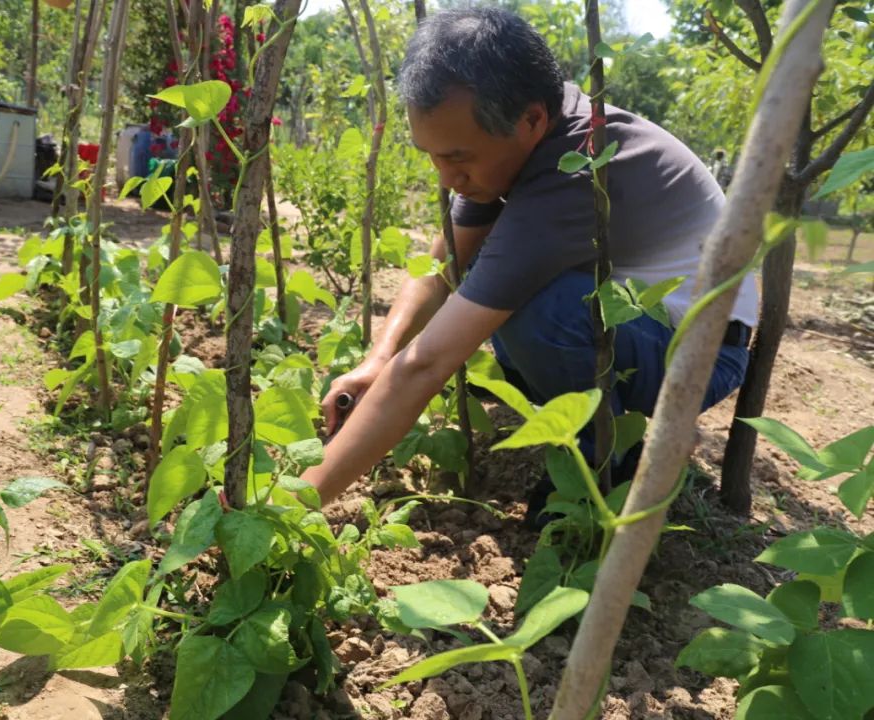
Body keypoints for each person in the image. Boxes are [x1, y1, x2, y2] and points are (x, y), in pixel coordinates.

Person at [300, 7, 758, 524]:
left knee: (526, 308)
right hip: (638, 327)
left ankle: (606, 456)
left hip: (698, 355)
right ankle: (592, 415)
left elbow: (428, 365)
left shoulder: (578, 167)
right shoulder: (513, 138)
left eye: (457, 157)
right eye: (433, 157)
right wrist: (378, 359)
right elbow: (441, 265)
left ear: (533, 120)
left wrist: (299, 501)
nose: (448, 178)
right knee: (497, 293)